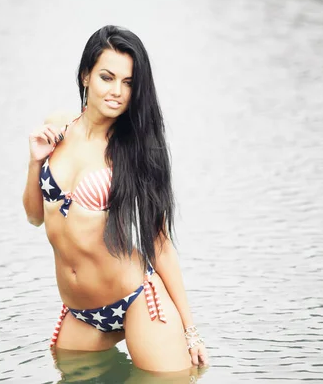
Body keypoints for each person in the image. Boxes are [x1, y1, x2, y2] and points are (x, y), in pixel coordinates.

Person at [23, 25, 209, 373]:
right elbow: (35, 216)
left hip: (138, 300)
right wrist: (34, 162)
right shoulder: (57, 129)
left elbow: (160, 242)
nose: (117, 92)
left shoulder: (137, 150)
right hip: (80, 312)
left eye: (128, 83)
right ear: (85, 76)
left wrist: (191, 331)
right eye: (107, 77)